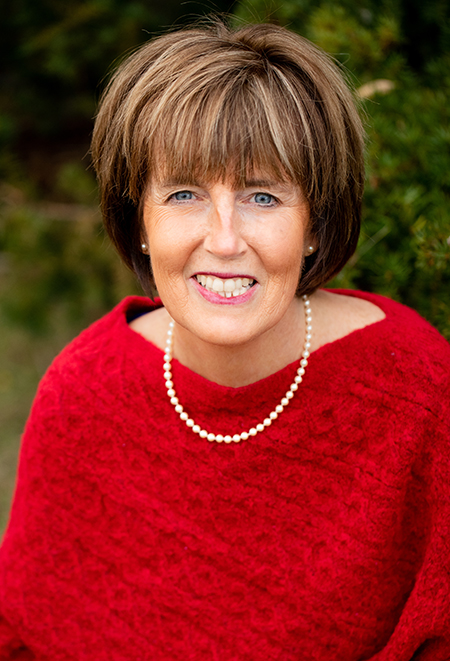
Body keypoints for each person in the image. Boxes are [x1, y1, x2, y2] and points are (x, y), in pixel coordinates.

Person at [0, 19, 449, 661]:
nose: (225, 239)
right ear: (140, 221)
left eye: (263, 196)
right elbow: (26, 637)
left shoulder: (417, 389)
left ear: (316, 223)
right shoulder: (83, 391)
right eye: (184, 193)